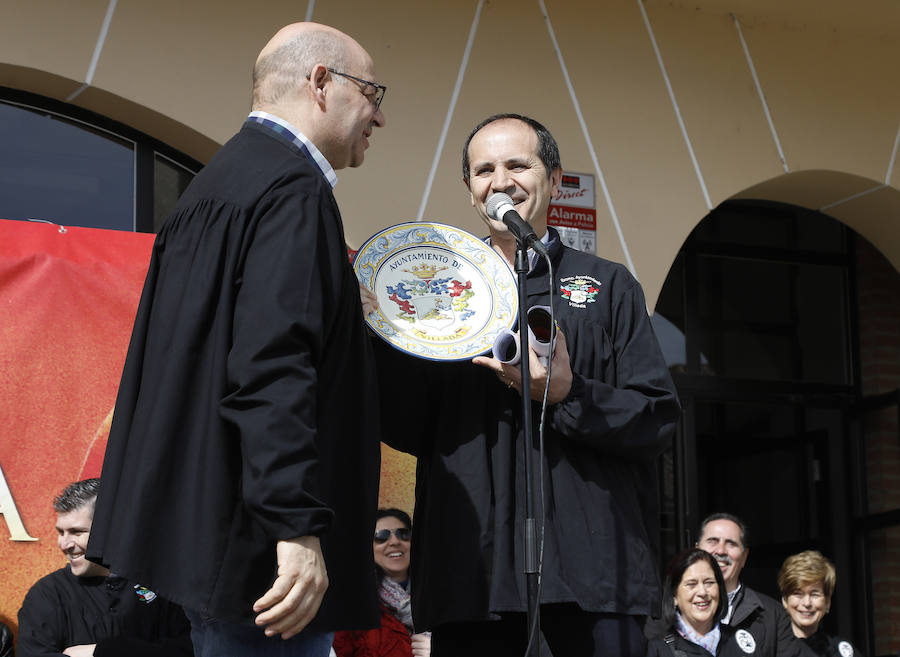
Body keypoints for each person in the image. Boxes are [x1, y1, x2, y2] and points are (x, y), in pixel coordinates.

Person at [85, 22, 386, 657]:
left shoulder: (211, 186)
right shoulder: (294, 192)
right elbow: (272, 367)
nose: (378, 117)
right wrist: (297, 526)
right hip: (261, 562)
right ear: (321, 82)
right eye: (372, 92)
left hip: (207, 541)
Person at [365, 113, 680, 656]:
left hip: (592, 580)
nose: (500, 181)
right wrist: (381, 336)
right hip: (475, 576)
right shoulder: (442, 295)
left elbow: (656, 420)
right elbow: (409, 425)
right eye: (483, 170)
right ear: (470, 191)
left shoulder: (607, 286)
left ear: (555, 180)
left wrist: (568, 395)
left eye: (518, 164)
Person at [16, 479, 192, 657]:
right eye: (61, 532)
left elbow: (193, 648)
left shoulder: (162, 586)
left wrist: (103, 652)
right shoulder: (47, 594)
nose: (64, 544)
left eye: (77, 532)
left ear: (110, 530)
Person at [697, 513, 809, 657]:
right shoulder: (674, 611)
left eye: (731, 543)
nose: (720, 550)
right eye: (713, 541)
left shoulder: (772, 615)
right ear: (697, 550)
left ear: (744, 557)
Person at [332, 509, 431, 657]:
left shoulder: (441, 598)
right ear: (366, 548)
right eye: (381, 536)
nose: (395, 541)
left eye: (403, 533)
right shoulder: (354, 607)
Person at [646, 548, 750, 656]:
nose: (702, 592)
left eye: (709, 582)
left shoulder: (742, 642)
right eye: (691, 584)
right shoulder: (659, 649)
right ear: (674, 596)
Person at [777, 551, 863, 657]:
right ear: (785, 600)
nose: (807, 603)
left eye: (814, 594)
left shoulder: (841, 651)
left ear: (827, 602)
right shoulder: (772, 649)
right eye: (798, 594)